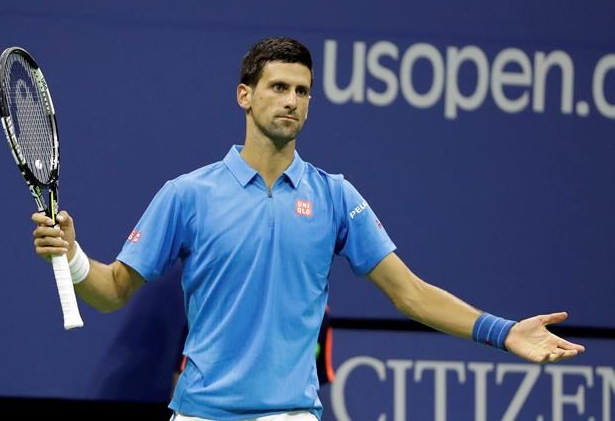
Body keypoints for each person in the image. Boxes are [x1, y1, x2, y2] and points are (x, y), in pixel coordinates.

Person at [31, 37, 585, 421]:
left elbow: (410, 293)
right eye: (277, 87)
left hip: (292, 414)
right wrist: (75, 256)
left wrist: (503, 331)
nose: (291, 101)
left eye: (301, 91)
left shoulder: (335, 196)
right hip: (201, 413)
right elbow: (111, 292)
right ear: (245, 96)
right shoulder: (188, 194)